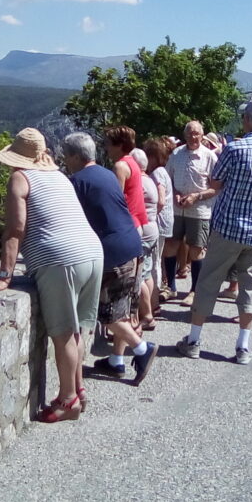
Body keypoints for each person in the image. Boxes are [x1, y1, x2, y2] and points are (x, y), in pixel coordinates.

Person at [0, 128, 103, 423]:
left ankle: (67, 401)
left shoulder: (20, 179)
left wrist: (5, 275)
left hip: (60, 260)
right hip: (92, 253)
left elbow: (15, 229)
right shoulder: (60, 176)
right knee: (76, 330)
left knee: (62, 335)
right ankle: (79, 389)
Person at [175, 99, 252, 365]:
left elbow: (215, 182)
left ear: (247, 120)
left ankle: (194, 341)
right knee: (249, 287)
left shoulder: (234, 149)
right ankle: (243, 347)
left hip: (228, 227)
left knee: (209, 281)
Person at [62, 132, 159, 384]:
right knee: (124, 311)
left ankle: (142, 349)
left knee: (108, 316)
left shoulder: (76, 182)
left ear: (74, 156)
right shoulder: (108, 173)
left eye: (66, 156)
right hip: (133, 243)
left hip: (113, 252)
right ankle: (116, 361)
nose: (65, 160)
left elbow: (71, 222)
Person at [164, 121, 218, 306]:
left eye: (196, 134)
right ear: (185, 135)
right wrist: (176, 194)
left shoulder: (209, 157)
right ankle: (170, 287)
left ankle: (195, 291)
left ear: (202, 135)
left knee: (196, 250)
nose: (193, 137)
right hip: (177, 209)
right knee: (171, 245)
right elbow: (167, 179)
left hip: (200, 211)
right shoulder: (176, 154)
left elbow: (217, 187)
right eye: (189, 133)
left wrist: (197, 196)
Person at [130, 148, 160, 330]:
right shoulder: (150, 180)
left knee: (137, 276)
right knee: (146, 272)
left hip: (142, 231)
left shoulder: (138, 182)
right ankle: (148, 310)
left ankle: (146, 315)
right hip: (152, 228)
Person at [143, 138, 174, 300]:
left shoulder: (156, 173)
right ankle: (156, 292)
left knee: (154, 261)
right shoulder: (163, 171)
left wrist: (151, 215)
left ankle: (153, 297)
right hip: (166, 221)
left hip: (159, 222)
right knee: (158, 260)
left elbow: (160, 200)